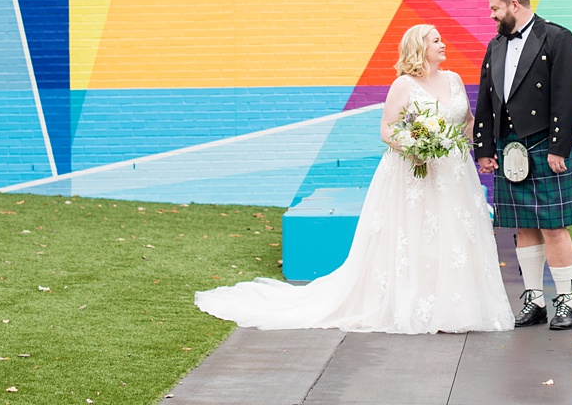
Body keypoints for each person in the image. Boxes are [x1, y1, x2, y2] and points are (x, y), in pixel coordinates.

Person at [194, 25, 513, 334]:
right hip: (414, 170)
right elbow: (388, 128)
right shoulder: (403, 85)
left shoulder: (455, 80)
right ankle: (416, 304)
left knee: (454, 233)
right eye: (436, 41)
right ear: (420, 48)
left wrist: (485, 152)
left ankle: (456, 305)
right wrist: (415, 146)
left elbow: (467, 121)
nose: (443, 45)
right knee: (418, 233)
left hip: (453, 171)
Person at [473, 0, 572, 330]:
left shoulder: (556, 38)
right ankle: (535, 300)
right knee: (524, 227)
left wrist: (559, 146)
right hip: (510, 148)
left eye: (495, 8)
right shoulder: (495, 46)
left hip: (543, 144)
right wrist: (485, 148)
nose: (492, 15)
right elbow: (486, 100)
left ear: (514, 4)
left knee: (553, 227)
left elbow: (569, 95)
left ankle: (565, 300)